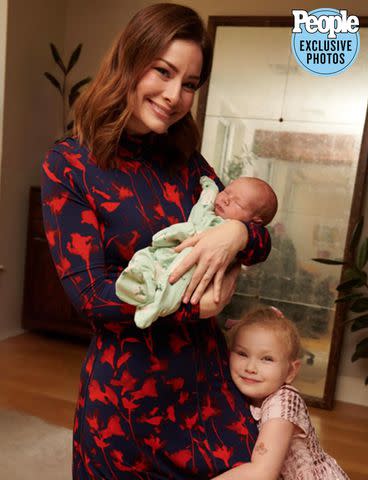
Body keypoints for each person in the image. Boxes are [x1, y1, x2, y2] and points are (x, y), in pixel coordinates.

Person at [41, 4, 271, 479]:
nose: (174, 95)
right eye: (163, 72)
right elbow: (91, 298)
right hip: (125, 400)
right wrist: (197, 307)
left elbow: (260, 234)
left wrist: (235, 233)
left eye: (189, 84)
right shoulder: (69, 164)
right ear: (129, 61)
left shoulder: (187, 162)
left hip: (204, 387)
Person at [116, 175, 277, 328]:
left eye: (238, 203)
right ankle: (138, 285)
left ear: (255, 222)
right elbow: (204, 203)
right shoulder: (212, 210)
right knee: (143, 258)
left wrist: (240, 231)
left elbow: (262, 246)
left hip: (190, 279)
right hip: (163, 261)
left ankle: (154, 305)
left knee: (174, 283)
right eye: (227, 191)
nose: (226, 199)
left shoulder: (194, 167)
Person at [212, 306, 349, 480]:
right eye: (242, 353)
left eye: (267, 359)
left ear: (291, 371)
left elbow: (261, 472)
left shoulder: (284, 401)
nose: (250, 368)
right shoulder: (239, 394)